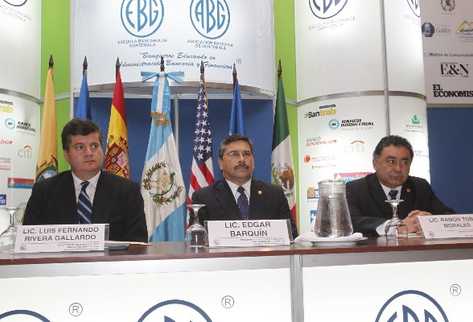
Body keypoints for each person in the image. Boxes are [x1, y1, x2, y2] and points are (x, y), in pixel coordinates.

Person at [23, 118, 148, 242]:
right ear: (66, 154)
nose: (89, 153)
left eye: (94, 146)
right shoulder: (44, 192)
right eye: (80, 147)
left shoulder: (128, 191)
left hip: (109, 262)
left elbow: (137, 243)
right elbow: (29, 241)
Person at [346, 135, 454, 236]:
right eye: (391, 161)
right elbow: (350, 222)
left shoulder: (420, 186)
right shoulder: (356, 189)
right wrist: (394, 227)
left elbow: (449, 216)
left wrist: (431, 220)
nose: (398, 168)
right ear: (375, 163)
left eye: (404, 162)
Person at [192, 134, 297, 238]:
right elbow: (198, 241)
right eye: (234, 154)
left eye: (246, 154)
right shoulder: (204, 198)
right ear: (220, 163)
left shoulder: (274, 194)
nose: (242, 159)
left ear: (253, 162)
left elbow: (291, 235)